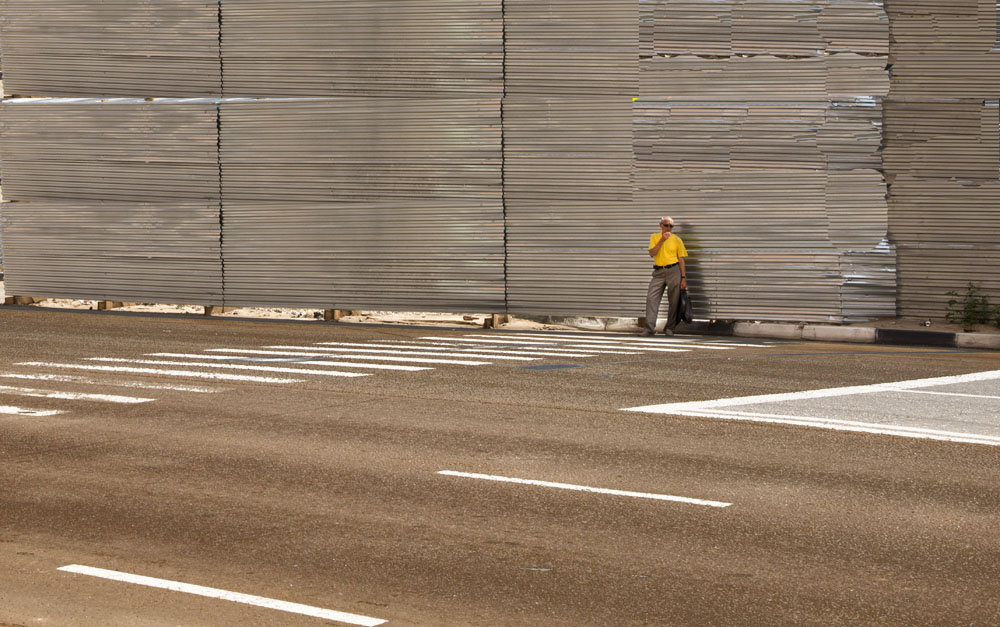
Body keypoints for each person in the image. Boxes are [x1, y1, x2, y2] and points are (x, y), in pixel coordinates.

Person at [642, 216, 688, 336]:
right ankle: (649, 328)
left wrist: (683, 278)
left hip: (674, 270)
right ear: (661, 225)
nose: (669, 228)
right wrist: (662, 240)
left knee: (674, 300)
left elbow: (681, 259)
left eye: (671, 226)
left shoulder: (677, 240)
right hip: (659, 272)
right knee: (651, 298)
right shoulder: (655, 237)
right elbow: (652, 253)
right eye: (666, 225)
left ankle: (670, 328)